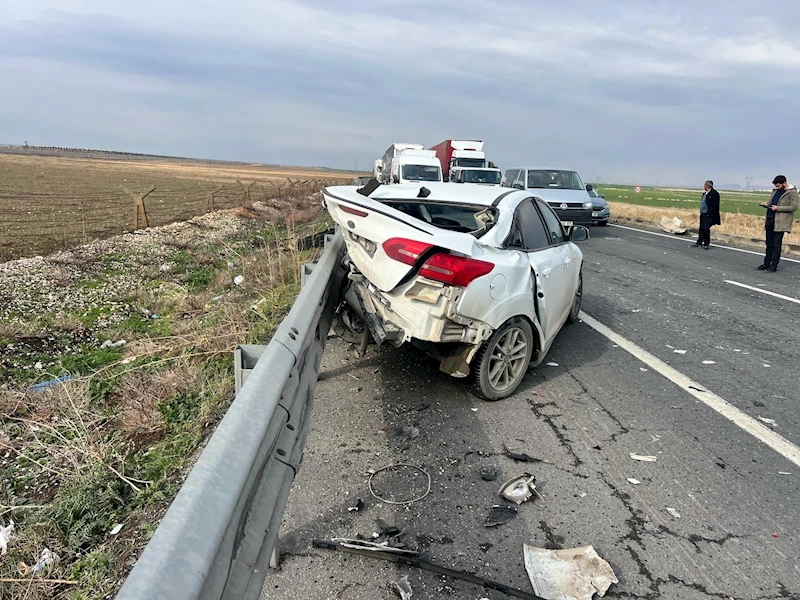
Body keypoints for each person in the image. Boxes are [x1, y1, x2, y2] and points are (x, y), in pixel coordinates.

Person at [757, 175, 799, 272]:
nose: (777, 187)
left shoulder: (792, 193)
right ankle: (766, 263)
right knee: (769, 243)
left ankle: (773, 266)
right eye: (776, 186)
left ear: (784, 183)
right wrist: (767, 205)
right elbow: (772, 203)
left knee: (776, 245)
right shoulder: (775, 191)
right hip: (770, 219)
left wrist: (778, 208)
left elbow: (794, 207)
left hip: (781, 222)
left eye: (778, 186)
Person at [693, 180, 720, 249]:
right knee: (701, 228)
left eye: (705, 185)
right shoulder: (705, 194)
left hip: (709, 215)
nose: (704, 186)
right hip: (703, 213)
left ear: (708, 186)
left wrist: (709, 213)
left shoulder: (714, 194)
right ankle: (699, 242)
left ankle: (706, 243)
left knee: (706, 229)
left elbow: (715, 205)